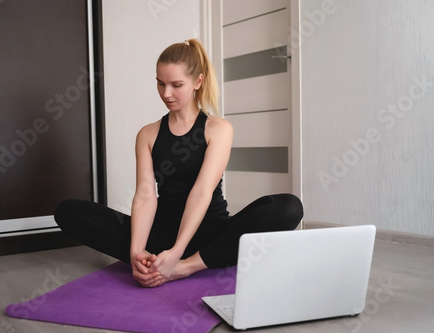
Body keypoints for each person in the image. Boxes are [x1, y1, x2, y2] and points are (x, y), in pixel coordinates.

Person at [54, 39, 303, 288]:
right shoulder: (148, 134)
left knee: (288, 207)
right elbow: (145, 194)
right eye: (160, 84)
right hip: (161, 235)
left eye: (176, 85)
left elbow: (202, 192)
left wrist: (177, 256)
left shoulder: (217, 129)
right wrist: (136, 252)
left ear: (198, 82)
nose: (166, 93)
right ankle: (153, 261)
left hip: (210, 235)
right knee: (68, 211)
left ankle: (189, 266)